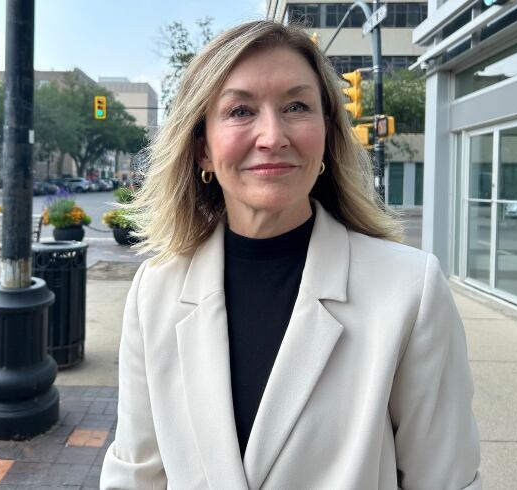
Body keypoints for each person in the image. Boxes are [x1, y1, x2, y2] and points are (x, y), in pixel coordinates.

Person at [100, 20, 481, 490]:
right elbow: (135, 476)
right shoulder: (154, 290)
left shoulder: (409, 291)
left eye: (297, 106)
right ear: (202, 147)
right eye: (240, 110)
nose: (272, 136)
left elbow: (443, 481)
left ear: (326, 132)